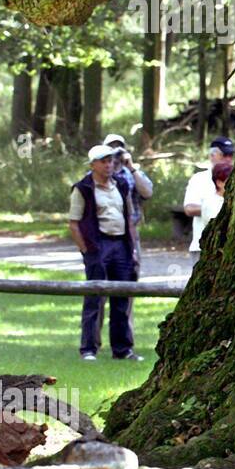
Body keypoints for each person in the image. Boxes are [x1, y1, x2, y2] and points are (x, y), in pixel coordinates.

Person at [67, 145, 143, 362]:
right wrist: (87, 251)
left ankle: (123, 348)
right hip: (98, 245)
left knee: (122, 296)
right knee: (95, 297)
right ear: (93, 165)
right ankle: (89, 348)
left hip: (121, 244)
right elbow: (74, 224)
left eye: (110, 161)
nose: (108, 165)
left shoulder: (120, 185)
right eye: (103, 161)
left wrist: (132, 247)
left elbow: (129, 217)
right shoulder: (83, 188)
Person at [103, 133, 153, 269]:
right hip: (105, 230)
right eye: (111, 147)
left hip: (130, 231)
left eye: (119, 147)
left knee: (132, 270)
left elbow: (147, 192)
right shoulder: (100, 174)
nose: (115, 150)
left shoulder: (132, 173)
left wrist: (131, 167)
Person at [184, 136, 235, 254]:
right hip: (202, 246)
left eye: (230, 155)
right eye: (224, 155)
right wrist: (213, 208)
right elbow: (189, 208)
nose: (228, 159)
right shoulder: (199, 179)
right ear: (212, 155)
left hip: (230, 248)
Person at [191, 160, 233, 252]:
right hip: (207, 250)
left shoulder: (228, 200)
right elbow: (217, 227)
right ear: (219, 182)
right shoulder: (211, 202)